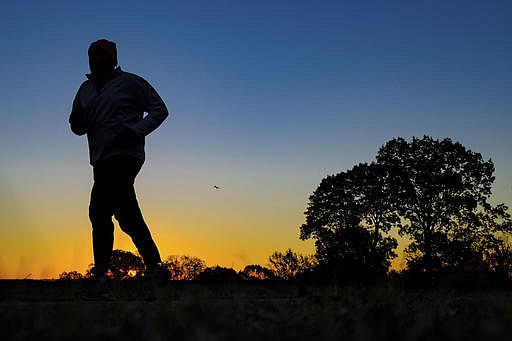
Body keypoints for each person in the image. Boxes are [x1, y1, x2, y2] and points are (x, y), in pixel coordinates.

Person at [69, 39, 169, 299]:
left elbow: (160, 110)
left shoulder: (131, 83)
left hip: (126, 155)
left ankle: (100, 280)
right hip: (100, 159)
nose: (94, 60)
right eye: (91, 55)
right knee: (125, 214)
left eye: (100, 55)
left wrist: (136, 130)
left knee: (99, 210)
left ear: (113, 58)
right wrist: (76, 121)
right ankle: (157, 272)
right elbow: (78, 127)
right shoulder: (85, 90)